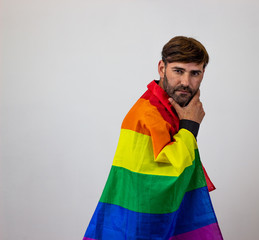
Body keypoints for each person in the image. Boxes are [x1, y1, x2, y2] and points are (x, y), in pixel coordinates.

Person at [83, 36, 223, 240]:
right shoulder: (149, 113)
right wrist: (190, 126)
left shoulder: (168, 107)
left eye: (195, 73)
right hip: (142, 222)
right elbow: (167, 174)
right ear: (161, 68)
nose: (186, 82)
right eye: (178, 71)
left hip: (152, 216)